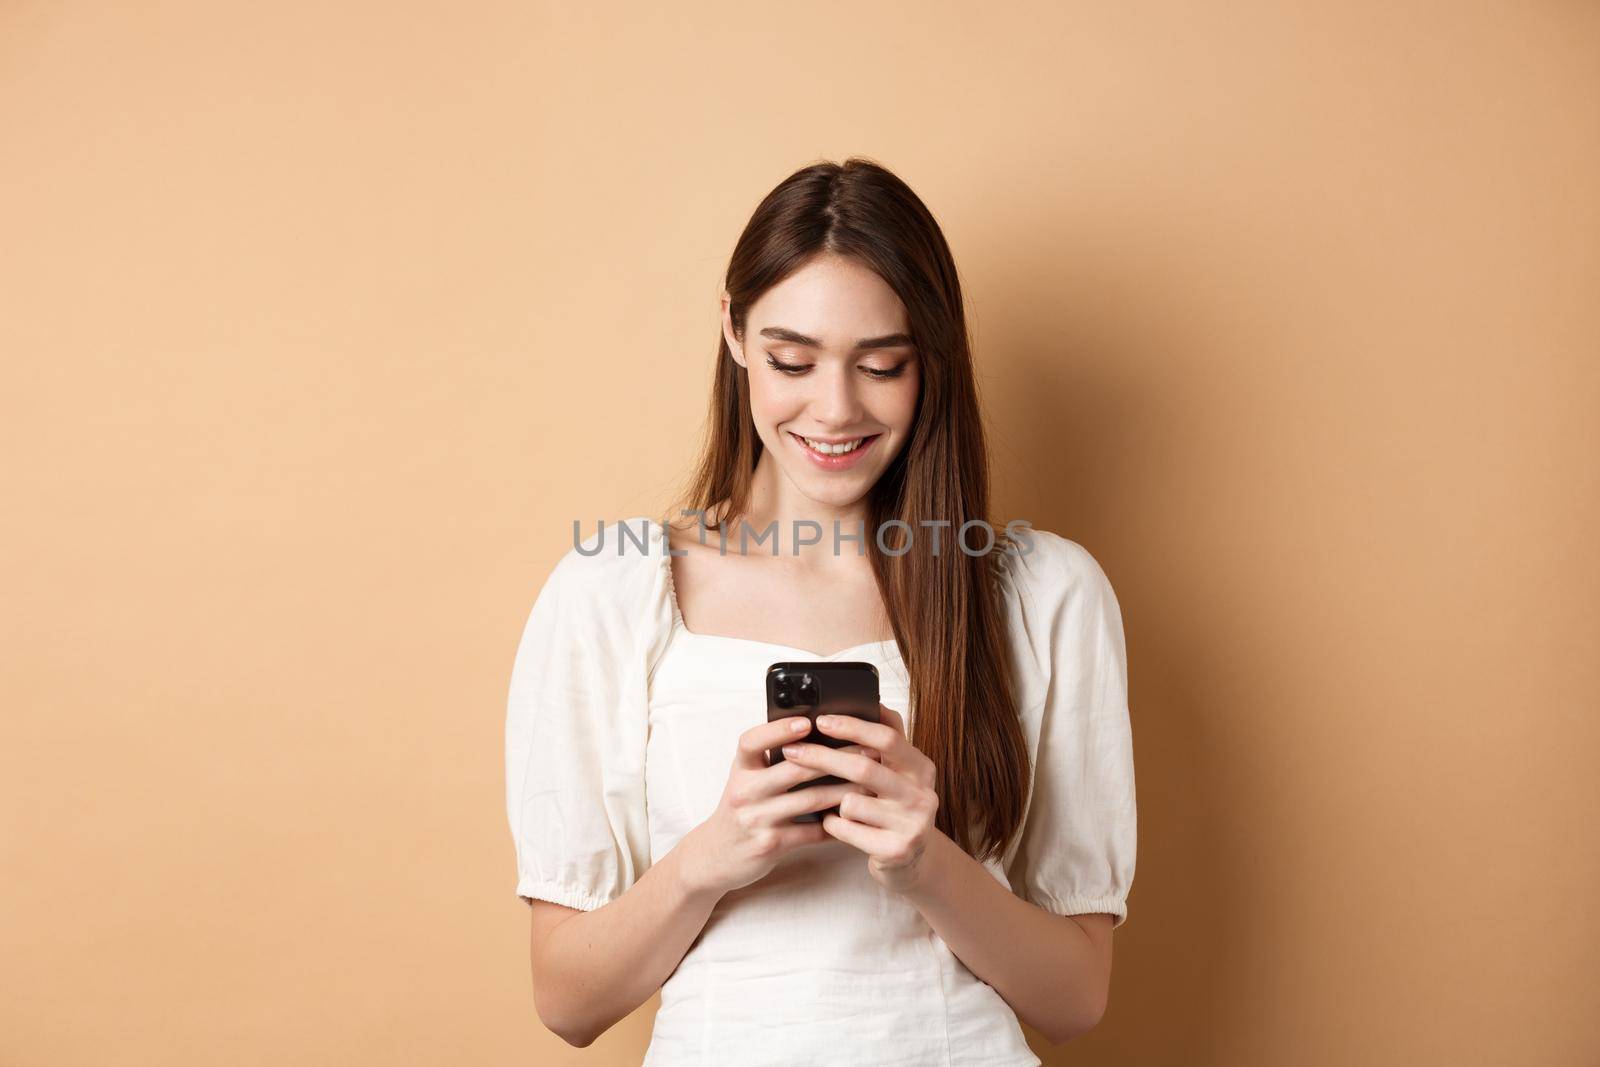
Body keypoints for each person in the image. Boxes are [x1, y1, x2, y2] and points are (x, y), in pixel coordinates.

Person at [504, 157, 1136, 1064]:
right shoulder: (611, 591)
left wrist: (928, 864)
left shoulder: (1043, 593)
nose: (834, 410)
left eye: (882, 365)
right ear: (732, 332)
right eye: (791, 360)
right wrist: (711, 857)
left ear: (934, 360)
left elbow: (1075, 998)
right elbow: (567, 1000)